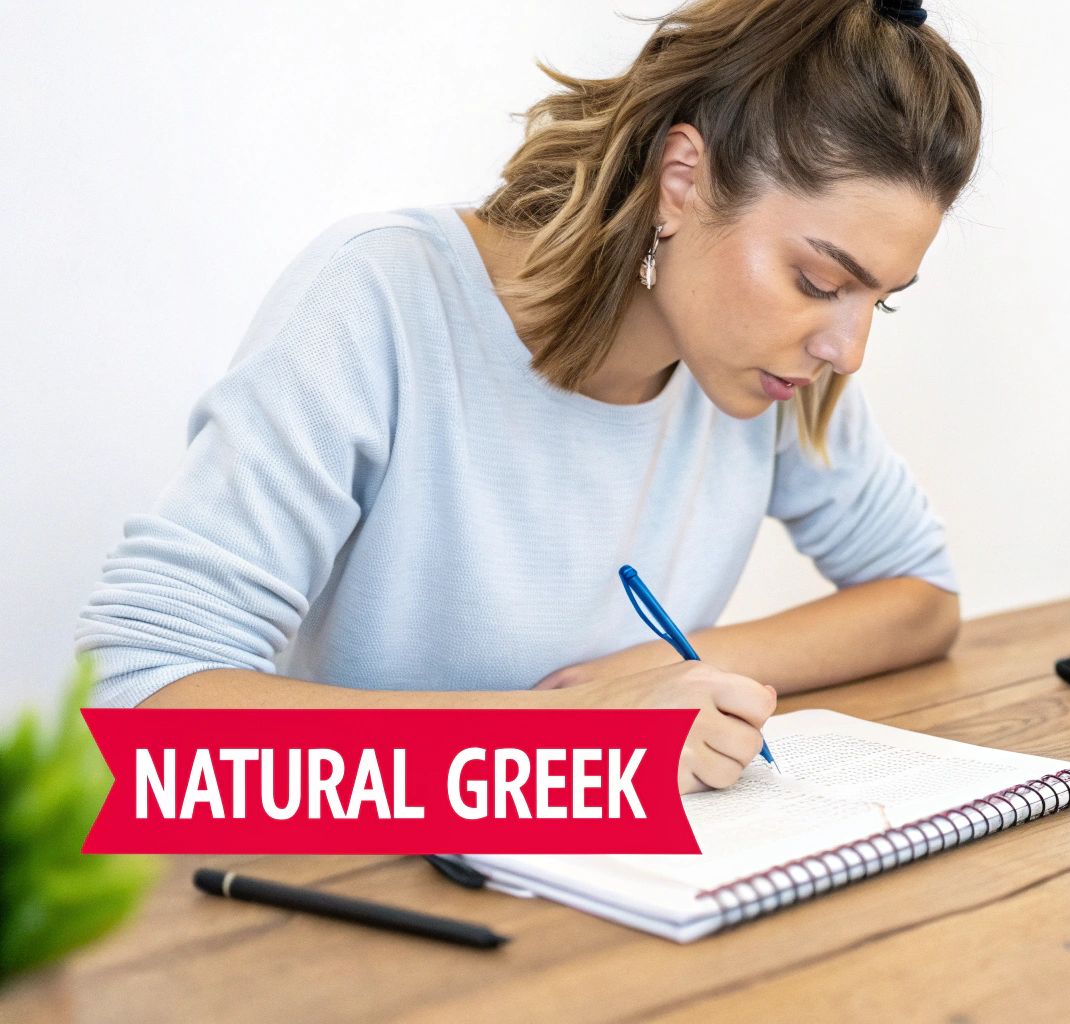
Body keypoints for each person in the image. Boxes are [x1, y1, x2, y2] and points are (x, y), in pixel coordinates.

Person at [73, 0, 980, 795]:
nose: (847, 350)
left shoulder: (769, 370)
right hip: (366, 887)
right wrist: (571, 741)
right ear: (682, 181)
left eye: (880, 300)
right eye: (819, 282)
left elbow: (920, 595)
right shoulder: (381, 298)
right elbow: (135, 697)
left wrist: (673, 669)